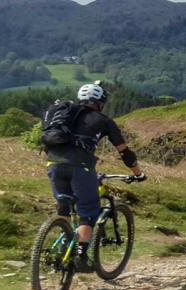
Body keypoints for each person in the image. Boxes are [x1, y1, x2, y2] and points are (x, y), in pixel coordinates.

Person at [45, 82, 145, 272]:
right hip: (81, 167)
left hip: (53, 164)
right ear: (100, 102)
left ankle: (62, 250)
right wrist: (138, 174)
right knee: (88, 212)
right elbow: (125, 153)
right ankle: (82, 258)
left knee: (64, 208)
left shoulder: (64, 115)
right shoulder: (104, 120)